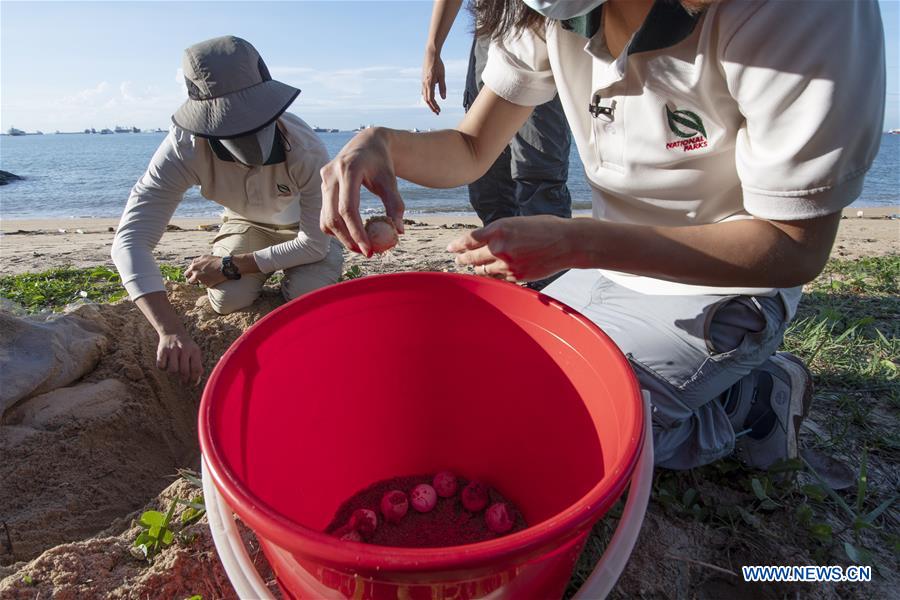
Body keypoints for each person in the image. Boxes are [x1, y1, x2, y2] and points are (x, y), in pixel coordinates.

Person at [320, 0, 885, 470]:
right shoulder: (543, 11)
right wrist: (383, 143)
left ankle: (754, 400)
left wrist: (577, 242)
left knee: (569, 442)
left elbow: (793, 246)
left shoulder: (799, 15)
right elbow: (471, 148)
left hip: (721, 282)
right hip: (608, 266)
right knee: (480, 393)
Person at [112, 36, 342, 384]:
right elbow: (129, 242)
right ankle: (252, 275)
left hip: (310, 229)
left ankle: (282, 278)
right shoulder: (183, 148)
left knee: (306, 299)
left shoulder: (305, 149)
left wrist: (230, 264)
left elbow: (313, 244)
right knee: (226, 300)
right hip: (247, 222)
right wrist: (170, 330)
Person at [422, 0, 572, 227]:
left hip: (536, 19)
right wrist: (433, 48)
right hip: (489, 27)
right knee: (487, 183)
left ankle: (543, 257)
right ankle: (502, 256)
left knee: (538, 175)